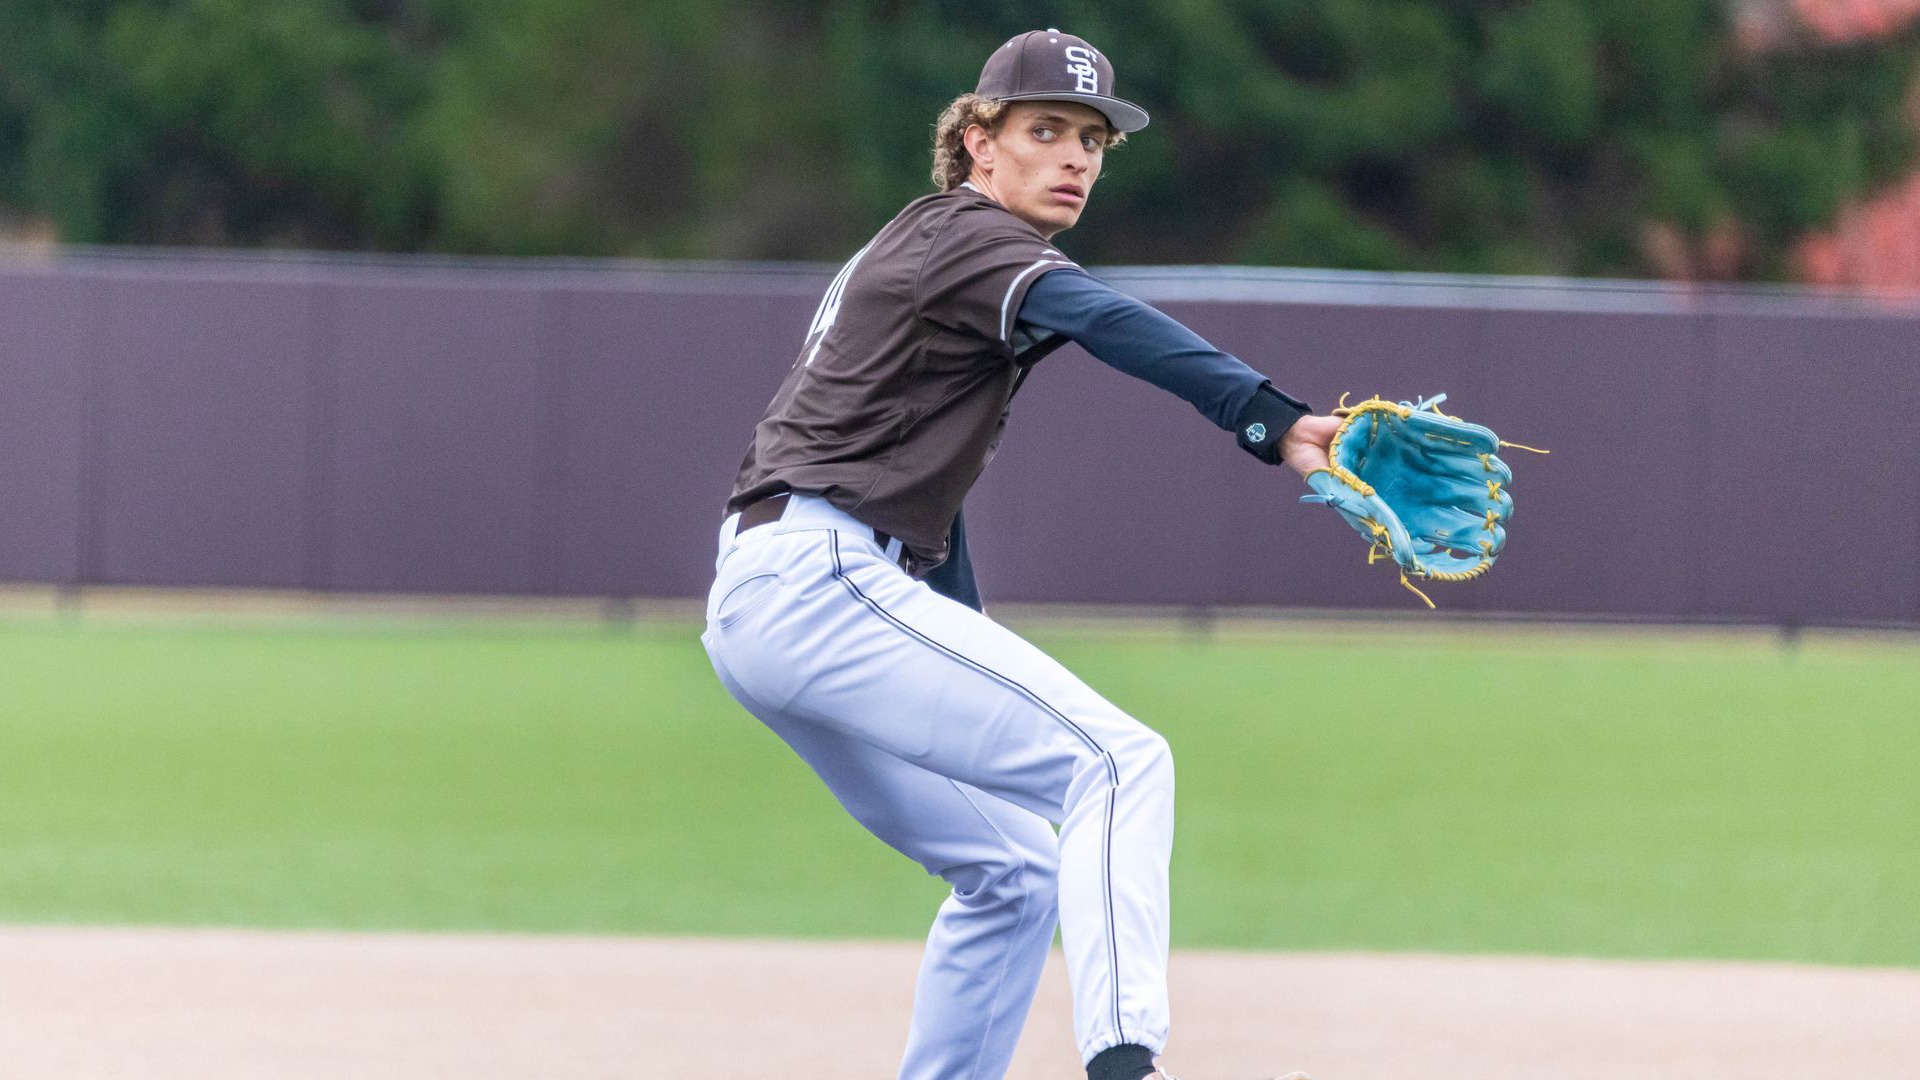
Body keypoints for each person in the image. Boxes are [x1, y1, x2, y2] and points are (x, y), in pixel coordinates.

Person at [701, 28, 1334, 1080]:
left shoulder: (921, 247)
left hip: (774, 594)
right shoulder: (970, 237)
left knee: (1011, 871)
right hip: (816, 579)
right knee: (1122, 763)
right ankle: (1127, 1063)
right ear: (977, 142)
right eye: (1045, 129)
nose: (1075, 157)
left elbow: (920, 515)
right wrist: (1267, 416)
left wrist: (968, 638)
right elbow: (1102, 315)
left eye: (1092, 138)